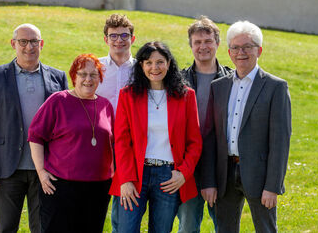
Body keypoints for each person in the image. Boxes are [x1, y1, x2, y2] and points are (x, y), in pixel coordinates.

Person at [0, 23, 68, 232]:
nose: (29, 47)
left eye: (34, 41)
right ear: (13, 44)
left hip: (46, 169)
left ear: (41, 44)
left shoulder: (58, 77)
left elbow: (65, 127)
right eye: (23, 42)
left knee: (43, 227)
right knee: (6, 227)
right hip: (8, 168)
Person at [200, 21, 292, 232]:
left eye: (247, 47)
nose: (241, 52)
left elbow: (280, 142)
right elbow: (211, 138)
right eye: (235, 47)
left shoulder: (275, 87)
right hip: (225, 173)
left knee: (266, 229)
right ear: (229, 52)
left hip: (259, 175)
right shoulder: (219, 86)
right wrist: (209, 180)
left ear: (258, 50)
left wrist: (273, 186)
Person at [109, 41, 203, 233]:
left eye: (160, 62)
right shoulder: (128, 95)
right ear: (141, 65)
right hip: (135, 174)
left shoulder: (186, 96)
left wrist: (183, 173)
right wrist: (126, 179)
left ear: (169, 63)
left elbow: (195, 142)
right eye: (149, 62)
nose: (155, 68)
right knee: (126, 229)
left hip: (168, 177)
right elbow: (121, 141)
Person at [28, 54, 114, 233]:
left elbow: (112, 144)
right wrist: (41, 172)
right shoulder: (58, 100)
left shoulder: (106, 106)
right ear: (74, 76)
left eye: (93, 74)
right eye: (82, 74)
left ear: (100, 77)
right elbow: (35, 136)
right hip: (61, 186)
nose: (88, 79)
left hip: (98, 188)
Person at [177, 16, 231, 233]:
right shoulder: (179, 81)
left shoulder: (231, 80)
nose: (203, 47)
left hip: (222, 167)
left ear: (218, 43)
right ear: (191, 46)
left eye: (208, 41)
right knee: (188, 226)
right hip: (188, 167)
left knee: (225, 226)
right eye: (197, 42)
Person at [96, 13, 135, 233]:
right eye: (113, 36)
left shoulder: (142, 69)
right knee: (97, 201)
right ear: (106, 39)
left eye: (124, 35)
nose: (119, 40)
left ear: (132, 38)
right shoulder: (96, 67)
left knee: (125, 203)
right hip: (99, 143)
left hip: (130, 145)